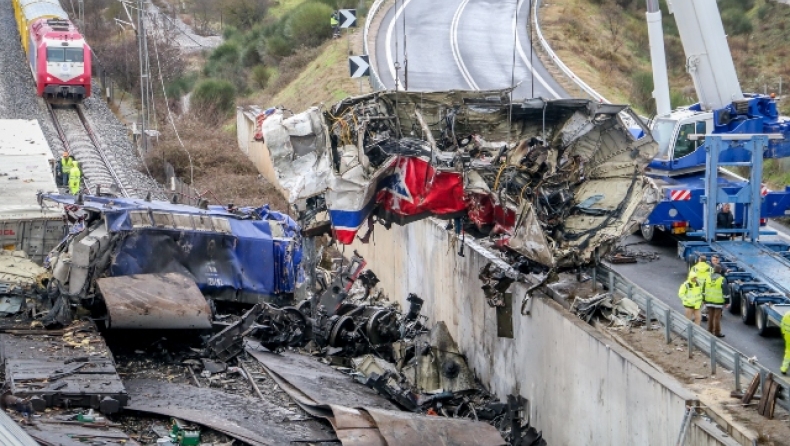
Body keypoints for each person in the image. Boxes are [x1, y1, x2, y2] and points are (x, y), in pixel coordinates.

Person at [704, 265, 729, 338]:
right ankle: (717, 332)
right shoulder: (722, 279)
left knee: (710, 316)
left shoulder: (707, 278)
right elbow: (726, 292)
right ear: (720, 271)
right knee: (717, 318)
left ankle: (709, 330)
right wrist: (727, 302)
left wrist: (704, 299)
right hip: (718, 302)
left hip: (708, 300)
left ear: (713, 270)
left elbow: (703, 289)